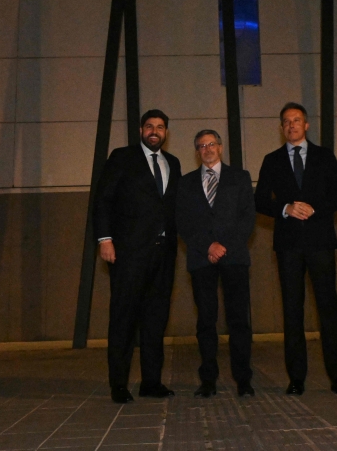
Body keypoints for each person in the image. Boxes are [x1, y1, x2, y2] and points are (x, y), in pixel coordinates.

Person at [254, 102, 337, 395]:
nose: (291, 125)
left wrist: (314, 209)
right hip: (288, 246)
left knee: (328, 309)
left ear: (306, 125)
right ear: (281, 127)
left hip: (321, 242)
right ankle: (296, 378)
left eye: (296, 120)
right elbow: (260, 200)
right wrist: (285, 208)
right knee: (292, 310)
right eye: (286, 121)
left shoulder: (325, 156)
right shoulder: (272, 160)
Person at [94, 109, 181, 404]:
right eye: (149, 126)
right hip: (129, 253)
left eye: (160, 127)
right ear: (141, 130)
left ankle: (151, 382)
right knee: (124, 318)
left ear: (166, 132)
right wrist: (105, 239)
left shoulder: (173, 163)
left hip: (163, 254)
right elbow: (103, 199)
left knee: (156, 319)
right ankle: (118, 384)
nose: (154, 131)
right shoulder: (122, 157)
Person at [175, 130, 256, 398]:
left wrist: (223, 247)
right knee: (206, 321)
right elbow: (183, 222)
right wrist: (208, 246)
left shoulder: (240, 177)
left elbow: (247, 218)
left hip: (234, 258)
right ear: (196, 152)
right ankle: (208, 380)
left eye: (211, 144)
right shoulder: (186, 183)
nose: (207, 149)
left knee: (238, 321)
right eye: (201, 146)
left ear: (220, 148)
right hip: (201, 258)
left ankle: (243, 380)